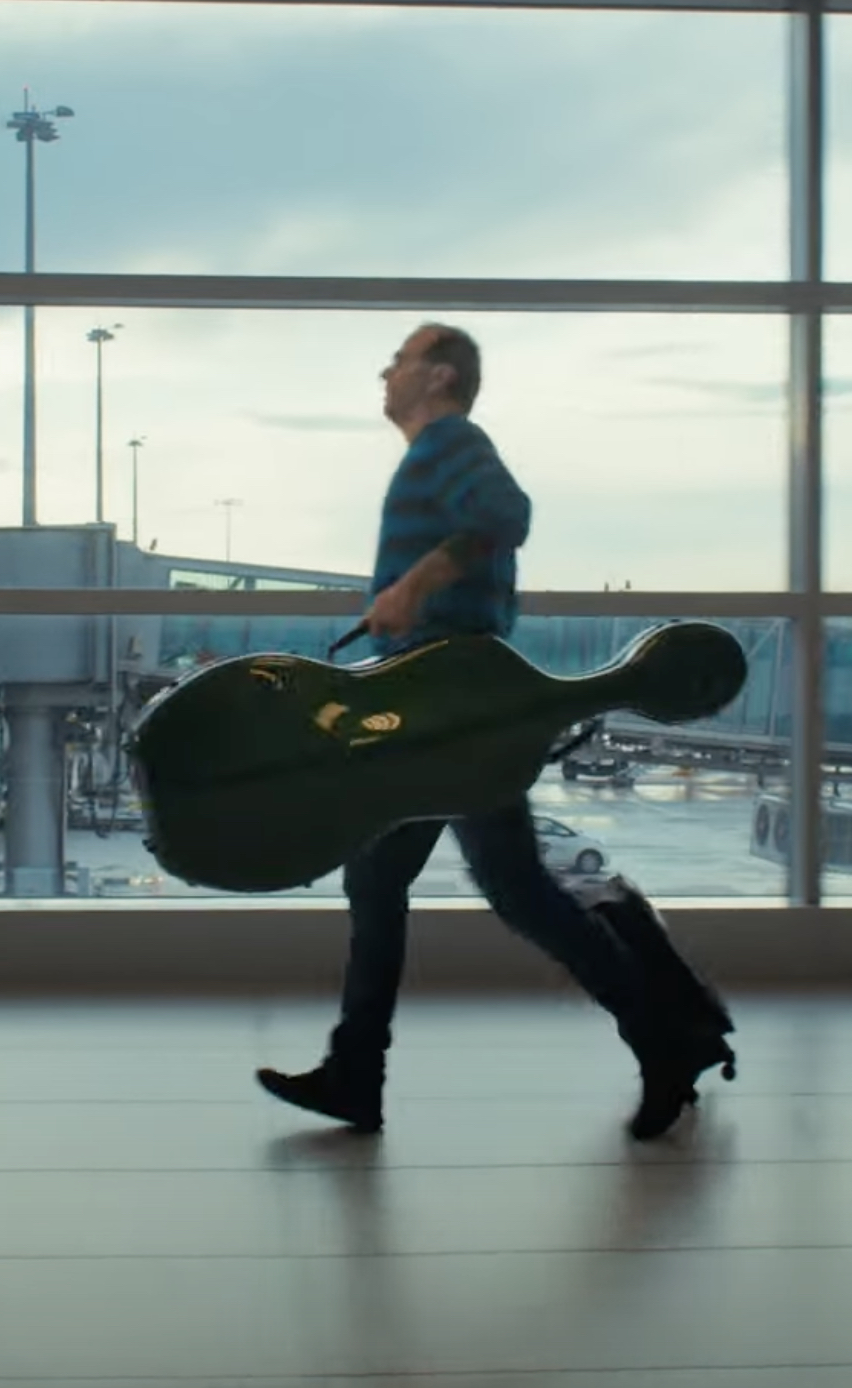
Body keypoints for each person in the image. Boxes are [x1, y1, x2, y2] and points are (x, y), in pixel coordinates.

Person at [256, 321, 736, 1141]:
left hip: (451, 708)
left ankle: (663, 1044)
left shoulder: (452, 441)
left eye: (400, 359)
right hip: (441, 704)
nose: (386, 370)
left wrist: (413, 586)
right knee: (443, 887)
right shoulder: (432, 451)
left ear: (438, 376)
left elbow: (506, 514)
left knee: (483, 891)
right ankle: (356, 1074)